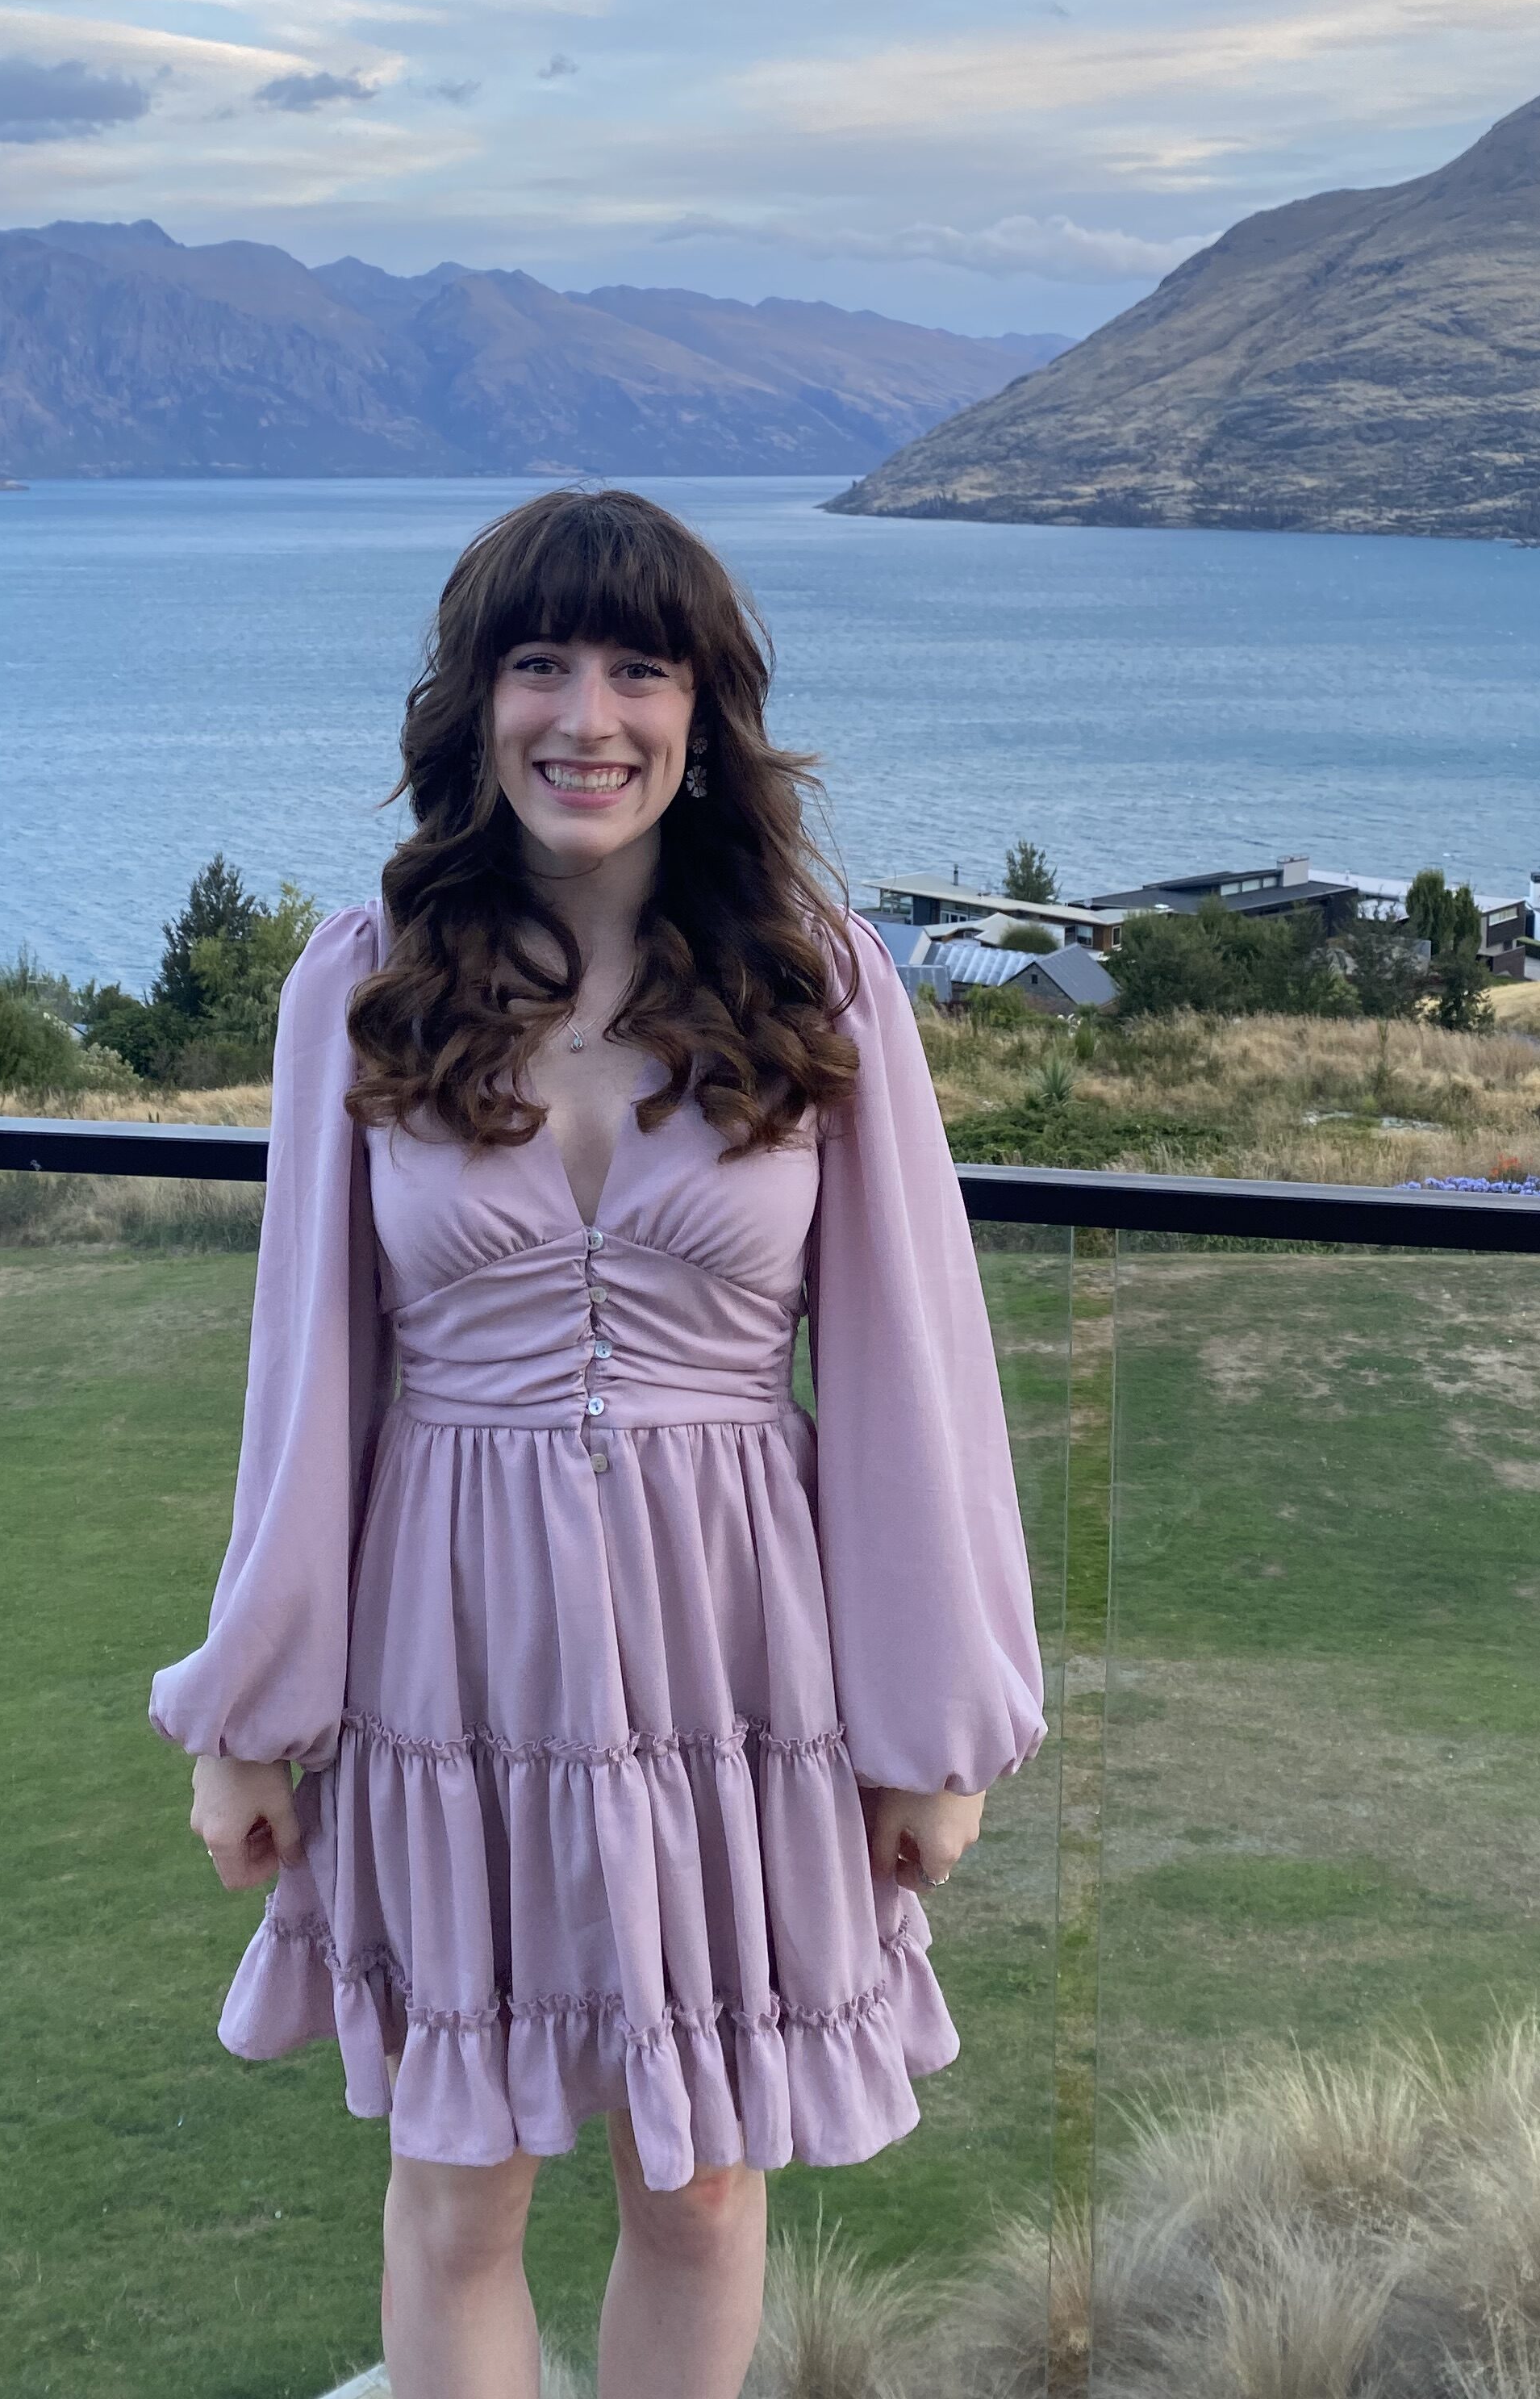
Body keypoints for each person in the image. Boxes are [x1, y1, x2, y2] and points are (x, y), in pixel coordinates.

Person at [151, 488, 1045, 2399]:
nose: (589, 714)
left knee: (705, 2189)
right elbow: (307, 1377)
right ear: (475, 704)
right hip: (446, 1652)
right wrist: (249, 1716)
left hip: (736, 1661)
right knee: (462, 2185)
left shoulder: (822, 984)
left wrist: (931, 1736)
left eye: (641, 666)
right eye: (539, 662)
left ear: (705, 713)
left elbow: (913, 1379)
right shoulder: (364, 981)